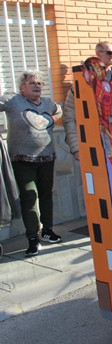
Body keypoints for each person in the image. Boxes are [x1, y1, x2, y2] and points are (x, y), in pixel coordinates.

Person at [0, 70, 63, 256]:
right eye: (32, 83)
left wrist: (52, 119)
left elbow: (58, 110)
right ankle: (33, 238)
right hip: (22, 160)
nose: (37, 86)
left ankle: (47, 231)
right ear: (22, 87)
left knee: (46, 195)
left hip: (47, 158)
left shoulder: (47, 102)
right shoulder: (13, 101)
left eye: (39, 83)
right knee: (29, 197)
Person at [64, 41, 112, 160]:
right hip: (92, 143)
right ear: (98, 54)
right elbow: (69, 118)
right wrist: (76, 148)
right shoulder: (80, 86)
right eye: (109, 53)